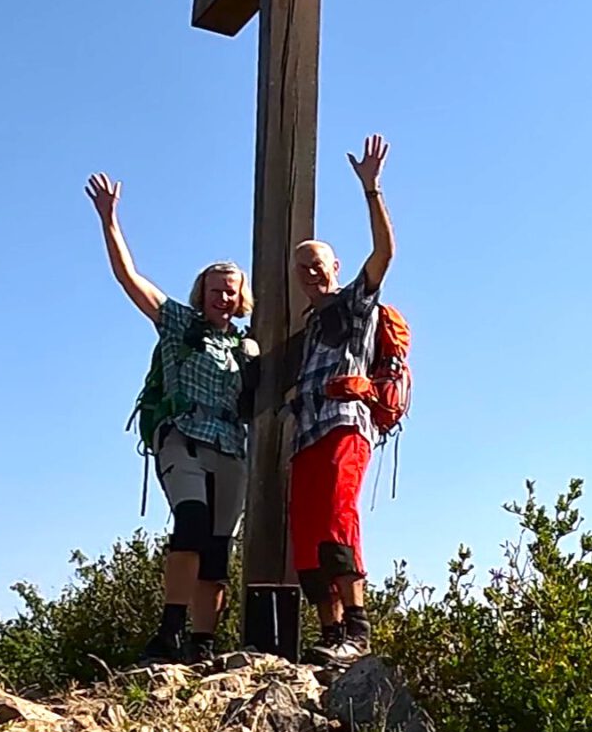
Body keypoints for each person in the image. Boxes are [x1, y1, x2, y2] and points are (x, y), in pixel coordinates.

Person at [85, 173, 253, 663]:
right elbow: (129, 279)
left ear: (240, 298)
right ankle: (170, 631)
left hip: (231, 446)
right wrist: (110, 220)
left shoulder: (247, 344)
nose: (222, 298)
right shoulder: (179, 323)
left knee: (219, 548)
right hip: (185, 437)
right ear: (201, 292)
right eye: (215, 290)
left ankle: (202, 642)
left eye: (230, 292)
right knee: (191, 527)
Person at [286, 134, 395, 659]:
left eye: (319, 264)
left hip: (344, 424)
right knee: (306, 530)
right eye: (302, 266)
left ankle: (356, 626)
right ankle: (329, 632)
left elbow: (384, 254)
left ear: (335, 267)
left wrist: (371, 190)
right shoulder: (305, 327)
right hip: (305, 435)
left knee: (336, 515)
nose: (311, 272)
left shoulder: (354, 303)